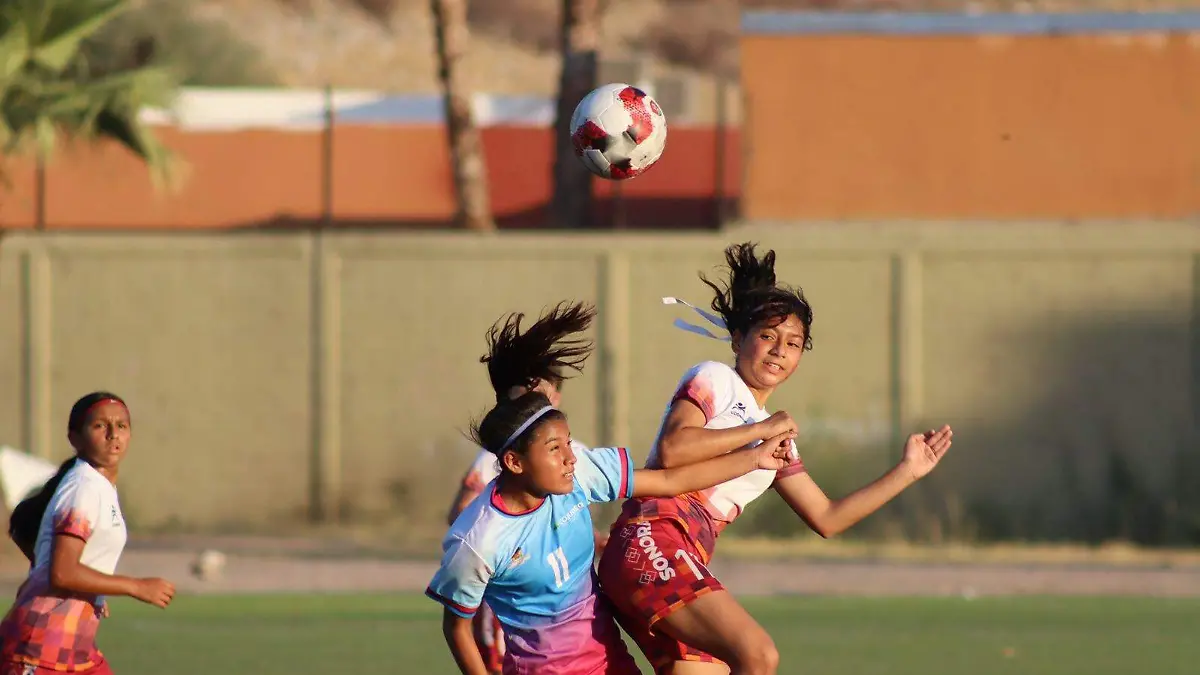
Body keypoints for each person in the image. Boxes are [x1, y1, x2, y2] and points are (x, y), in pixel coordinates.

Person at [597, 242, 954, 675]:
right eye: (767, 335)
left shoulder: (775, 434)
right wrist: (760, 434)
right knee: (758, 655)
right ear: (737, 339)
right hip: (651, 539)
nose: (779, 350)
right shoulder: (717, 379)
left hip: (681, 555)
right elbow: (675, 449)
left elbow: (827, 517)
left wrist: (907, 472)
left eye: (793, 343)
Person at [426, 302, 801, 675]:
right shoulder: (478, 539)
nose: (571, 457)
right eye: (556, 449)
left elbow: (670, 480)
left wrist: (756, 458)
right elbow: (456, 626)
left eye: (569, 443)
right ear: (514, 462)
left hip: (611, 665)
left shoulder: (580, 473)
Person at [443, 302, 611, 674]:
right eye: (523, 398)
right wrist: (506, 538)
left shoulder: (574, 457)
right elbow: (461, 513)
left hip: (566, 613)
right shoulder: (499, 460)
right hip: (509, 605)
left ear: (557, 398)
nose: (532, 405)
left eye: (540, 396)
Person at [1, 392, 176, 675]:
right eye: (99, 426)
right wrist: (136, 586)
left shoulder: (98, 485)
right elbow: (63, 573)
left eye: (121, 425)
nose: (113, 434)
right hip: (39, 650)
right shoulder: (83, 488)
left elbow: (26, 530)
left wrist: (89, 587)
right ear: (75, 438)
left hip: (75, 651)